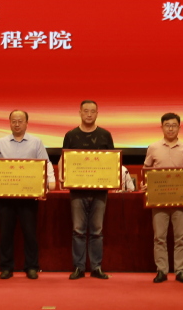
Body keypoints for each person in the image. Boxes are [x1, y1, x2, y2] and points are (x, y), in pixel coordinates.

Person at [0, 110, 56, 280]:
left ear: (27, 123)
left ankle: (32, 266)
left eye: (20, 121)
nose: (17, 124)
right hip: (6, 197)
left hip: (29, 197)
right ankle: (6, 267)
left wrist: (46, 186)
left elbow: (45, 165)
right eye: (14, 121)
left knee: (30, 233)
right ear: (9, 123)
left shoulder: (36, 142)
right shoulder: (1, 143)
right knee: (5, 234)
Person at [60, 100, 115, 280]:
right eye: (86, 111)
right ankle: (79, 267)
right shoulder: (71, 135)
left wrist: (113, 179)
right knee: (78, 230)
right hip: (77, 191)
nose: (89, 114)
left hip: (100, 191)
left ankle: (96, 267)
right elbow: (64, 159)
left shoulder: (105, 135)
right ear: (80, 113)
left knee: (97, 231)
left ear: (97, 113)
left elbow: (112, 161)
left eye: (92, 111)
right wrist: (62, 175)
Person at [143, 112, 183, 284]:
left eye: (174, 125)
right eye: (167, 125)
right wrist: (146, 184)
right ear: (162, 127)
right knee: (159, 237)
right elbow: (146, 170)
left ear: (179, 127)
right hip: (159, 201)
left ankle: (180, 271)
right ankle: (162, 270)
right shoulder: (153, 147)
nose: (171, 129)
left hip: (181, 202)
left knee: (181, 238)